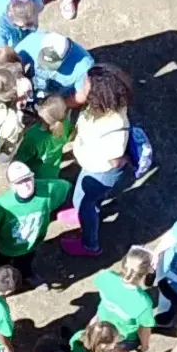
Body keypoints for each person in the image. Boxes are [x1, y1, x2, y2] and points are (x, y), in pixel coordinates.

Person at [61, 62, 135, 256]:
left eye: (86, 83)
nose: (82, 85)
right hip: (90, 166)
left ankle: (90, 244)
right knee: (81, 196)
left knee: (88, 206)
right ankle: (80, 211)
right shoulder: (102, 105)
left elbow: (116, 160)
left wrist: (126, 159)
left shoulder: (115, 126)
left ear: (98, 94)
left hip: (100, 173)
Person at [0, 160, 69, 288]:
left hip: (32, 243)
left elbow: (67, 188)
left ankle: (26, 276)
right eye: (19, 182)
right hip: (6, 246)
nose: (26, 185)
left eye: (28, 179)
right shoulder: (2, 205)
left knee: (26, 262)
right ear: (12, 186)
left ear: (34, 178)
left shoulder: (48, 189)